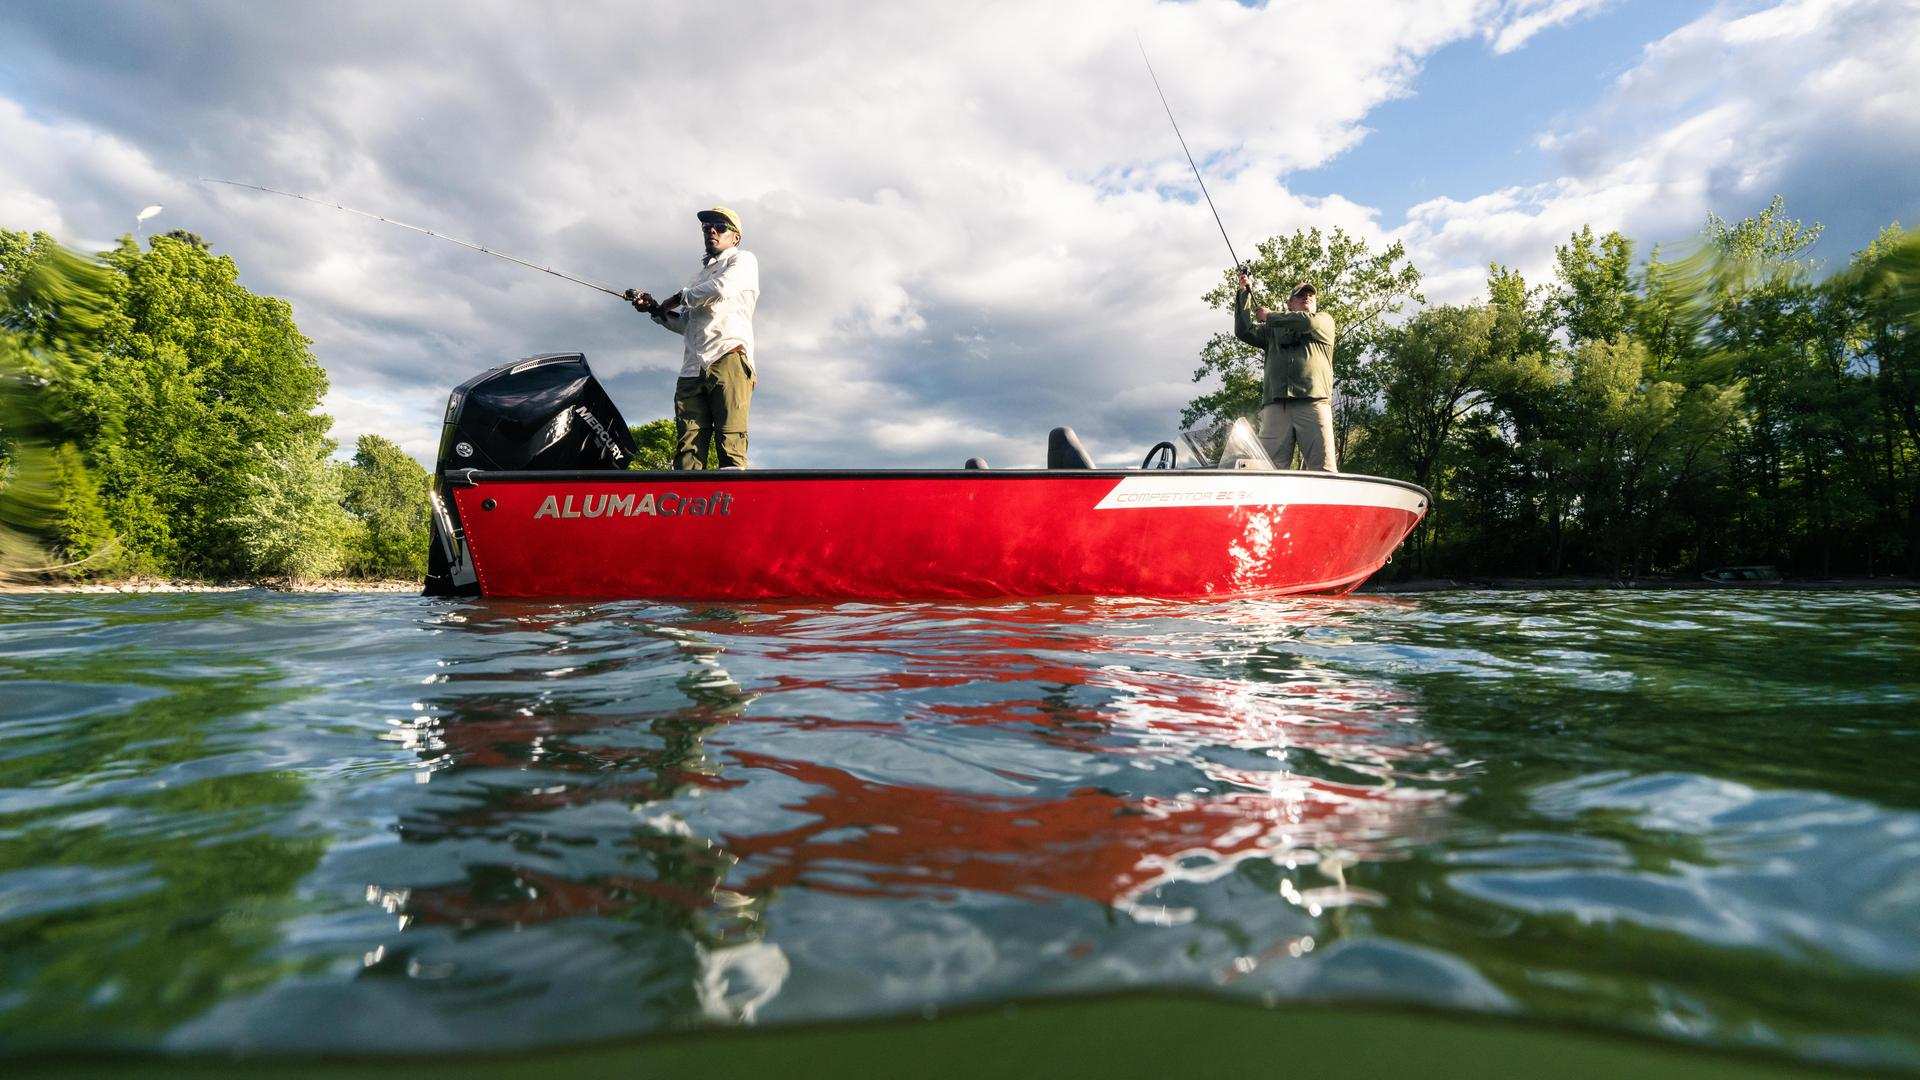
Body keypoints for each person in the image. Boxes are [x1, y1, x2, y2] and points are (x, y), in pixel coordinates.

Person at [628, 207, 760, 469]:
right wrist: (654, 309)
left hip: (728, 357)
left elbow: (723, 288)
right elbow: (686, 324)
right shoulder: (698, 278)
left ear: (735, 237)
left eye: (720, 227)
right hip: (691, 368)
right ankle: (688, 501)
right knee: (687, 448)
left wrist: (677, 297)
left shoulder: (743, 260)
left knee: (730, 441)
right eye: (707, 227)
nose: (711, 230)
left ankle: (734, 503)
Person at [1234, 274, 1338, 471]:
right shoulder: (1273, 331)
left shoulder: (1324, 321)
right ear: (1290, 303)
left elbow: (1307, 323)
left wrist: (1270, 316)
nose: (1307, 297)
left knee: (1323, 469)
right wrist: (1243, 294)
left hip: (1313, 403)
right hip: (1276, 405)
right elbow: (1244, 331)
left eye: (1310, 295)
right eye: (1300, 296)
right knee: (1266, 469)